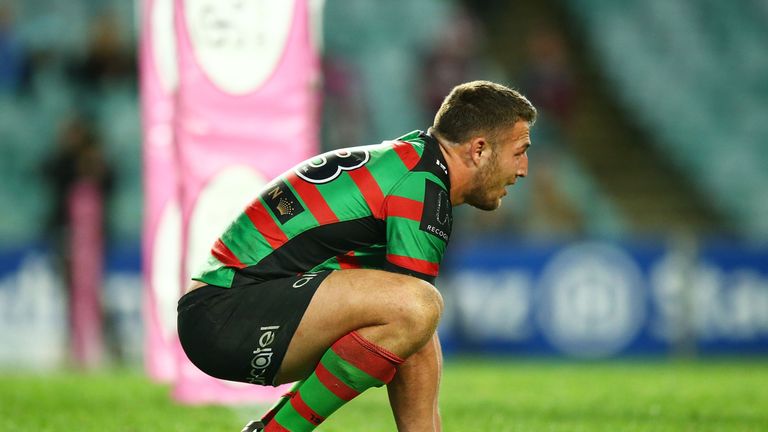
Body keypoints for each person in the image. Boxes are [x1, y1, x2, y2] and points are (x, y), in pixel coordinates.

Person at [177, 80, 536, 432]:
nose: (523, 169)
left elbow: (415, 334)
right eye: (519, 151)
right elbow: (413, 308)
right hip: (225, 315)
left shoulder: (411, 160)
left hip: (228, 308)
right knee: (418, 307)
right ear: (479, 149)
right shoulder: (421, 187)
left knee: (418, 321)